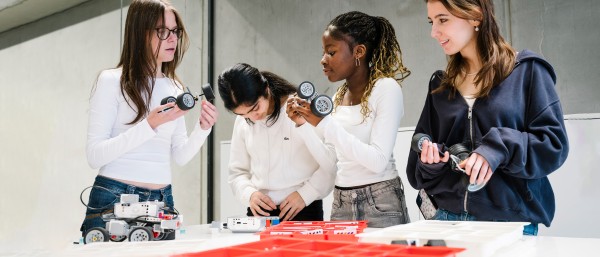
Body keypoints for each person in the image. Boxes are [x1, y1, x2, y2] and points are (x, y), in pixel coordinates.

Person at [406, 0, 569, 236]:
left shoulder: (527, 72)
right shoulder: (441, 87)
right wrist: (432, 163)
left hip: (508, 226)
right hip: (446, 222)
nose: (434, 32)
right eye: (432, 22)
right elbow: (417, 170)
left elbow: (553, 145)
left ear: (475, 17)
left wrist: (496, 147)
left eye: (443, 20)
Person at [81, 0, 218, 239]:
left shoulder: (175, 86)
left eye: (175, 31)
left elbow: (181, 155)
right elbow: (95, 156)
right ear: (139, 32)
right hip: (113, 197)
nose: (172, 39)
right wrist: (150, 125)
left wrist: (202, 129)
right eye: (163, 31)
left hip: (162, 200)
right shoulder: (112, 81)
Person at [289, 11, 411, 228]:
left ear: (359, 51)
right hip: (341, 202)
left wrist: (324, 124)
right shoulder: (337, 97)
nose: (323, 60)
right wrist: (303, 125)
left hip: (381, 202)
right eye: (324, 52)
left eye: (331, 52)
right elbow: (330, 162)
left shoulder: (386, 89)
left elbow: (377, 161)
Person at [217, 63, 336, 221]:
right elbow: (237, 173)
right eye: (243, 114)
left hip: (303, 209)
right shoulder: (243, 121)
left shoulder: (300, 107)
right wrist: (249, 194)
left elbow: (329, 164)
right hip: (259, 214)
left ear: (266, 89)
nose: (252, 117)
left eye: (255, 108)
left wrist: (306, 194)